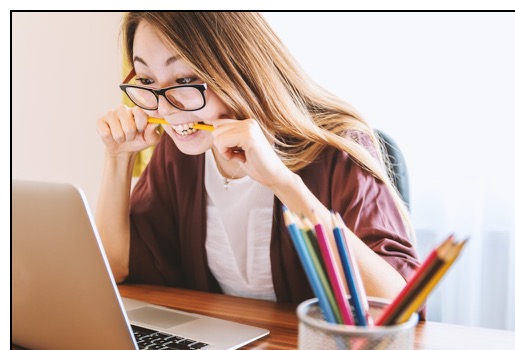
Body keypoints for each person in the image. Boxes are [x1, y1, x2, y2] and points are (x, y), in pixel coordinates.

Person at [96, 12, 421, 308]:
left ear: (239, 69)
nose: (164, 109)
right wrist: (118, 158)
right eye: (147, 80)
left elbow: (398, 306)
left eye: (184, 80)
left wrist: (282, 182)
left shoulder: (338, 148)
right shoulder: (180, 152)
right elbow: (115, 267)